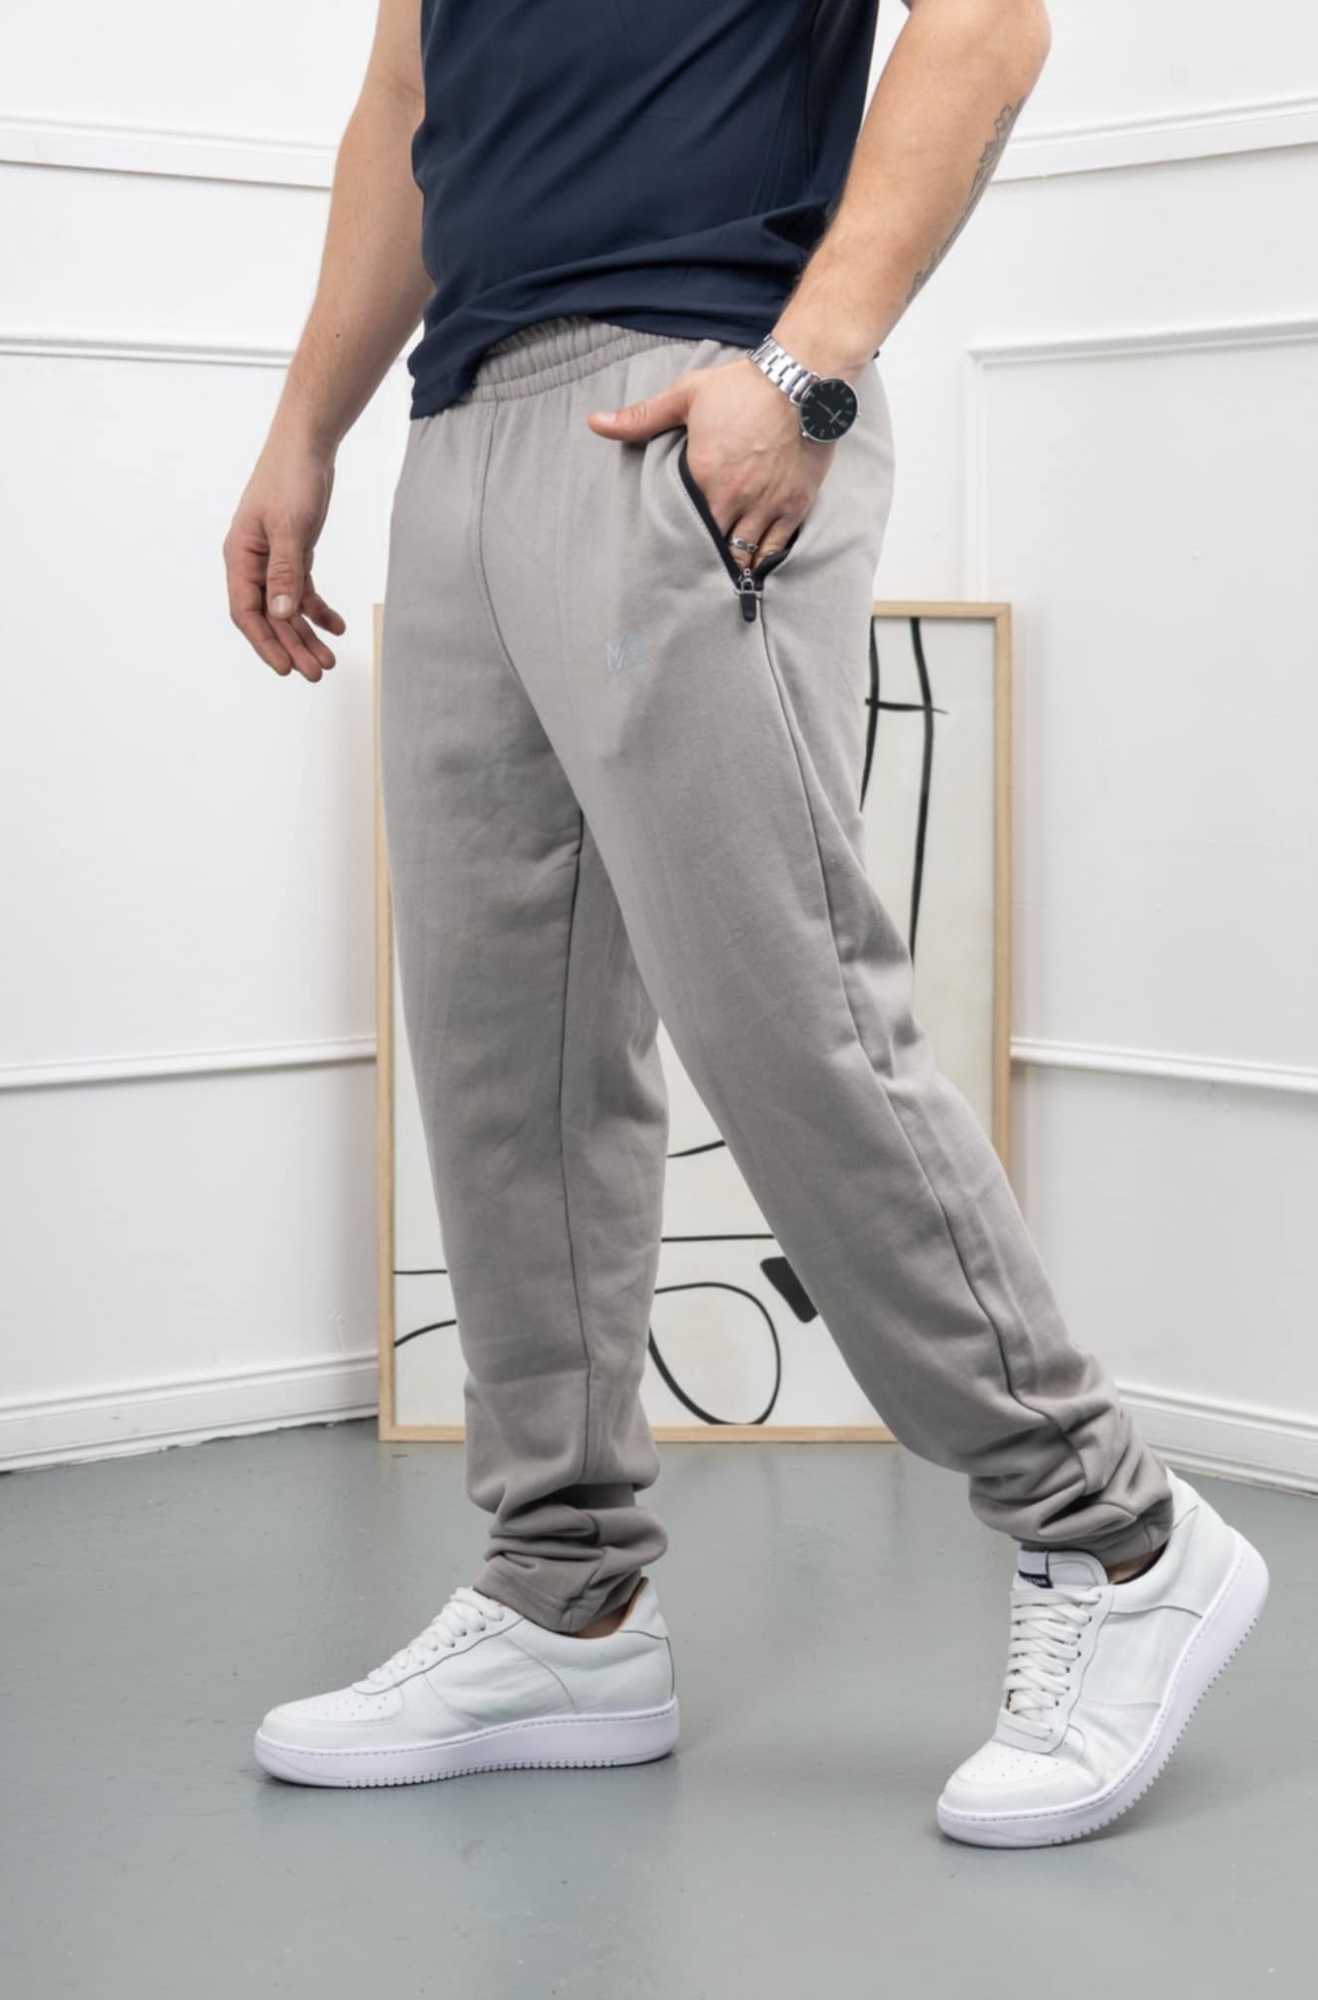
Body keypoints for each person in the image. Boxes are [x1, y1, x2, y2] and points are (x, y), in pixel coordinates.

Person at [226, 0, 1267, 1845]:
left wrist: (803, 369)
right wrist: (305, 428)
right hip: (460, 422)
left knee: (782, 1011)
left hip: (689, 390)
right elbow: (405, 95)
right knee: (502, 1055)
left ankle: (1113, 1535)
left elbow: (985, 24)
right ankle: (564, 1597)